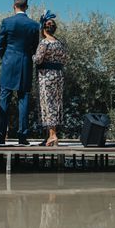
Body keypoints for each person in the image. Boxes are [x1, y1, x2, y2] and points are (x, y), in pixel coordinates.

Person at [0, 0, 40, 146]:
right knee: (23, 101)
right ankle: (22, 137)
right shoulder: (34, 25)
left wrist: (6, 58)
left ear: (14, 6)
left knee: (4, 101)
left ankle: (1, 137)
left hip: (8, 64)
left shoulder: (6, 22)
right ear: (26, 7)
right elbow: (35, 48)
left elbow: (0, 46)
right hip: (25, 64)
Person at [33, 11, 68, 147]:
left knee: (48, 104)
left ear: (43, 28)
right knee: (57, 103)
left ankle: (53, 135)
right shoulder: (60, 43)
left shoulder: (44, 43)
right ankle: (51, 135)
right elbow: (65, 59)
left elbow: (38, 60)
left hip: (46, 76)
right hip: (58, 76)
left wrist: (31, 56)